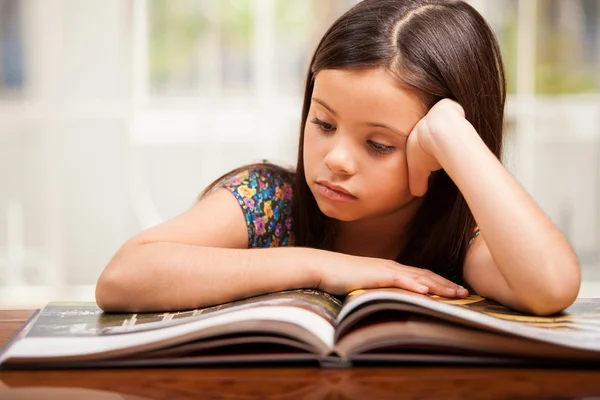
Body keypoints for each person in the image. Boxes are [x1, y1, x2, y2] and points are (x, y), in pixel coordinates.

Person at [96, 0, 580, 315]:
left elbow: (552, 287)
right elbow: (122, 278)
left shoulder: (462, 236)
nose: (338, 159)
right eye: (323, 124)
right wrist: (320, 266)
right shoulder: (271, 199)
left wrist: (458, 137)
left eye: (379, 144)